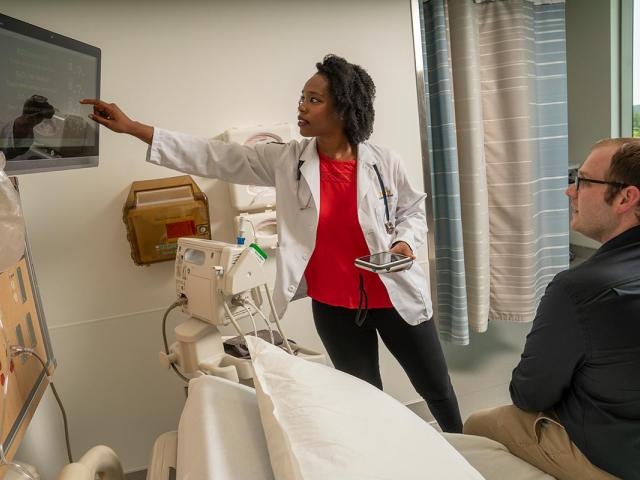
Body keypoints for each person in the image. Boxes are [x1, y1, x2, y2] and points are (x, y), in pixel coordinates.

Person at [82, 54, 463, 433]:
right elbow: (214, 156)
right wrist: (134, 128)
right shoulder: (287, 161)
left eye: (314, 99)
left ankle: (466, 453)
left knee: (437, 389)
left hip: (393, 296)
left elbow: (413, 208)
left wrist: (406, 245)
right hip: (334, 308)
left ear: (344, 109)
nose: (301, 106)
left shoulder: (384, 162)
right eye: (302, 96)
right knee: (365, 399)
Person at [463, 138, 640, 479]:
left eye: (582, 180)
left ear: (626, 198)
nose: (570, 192)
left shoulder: (577, 290)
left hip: (617, 458)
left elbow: (529, 394)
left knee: (478, 423)